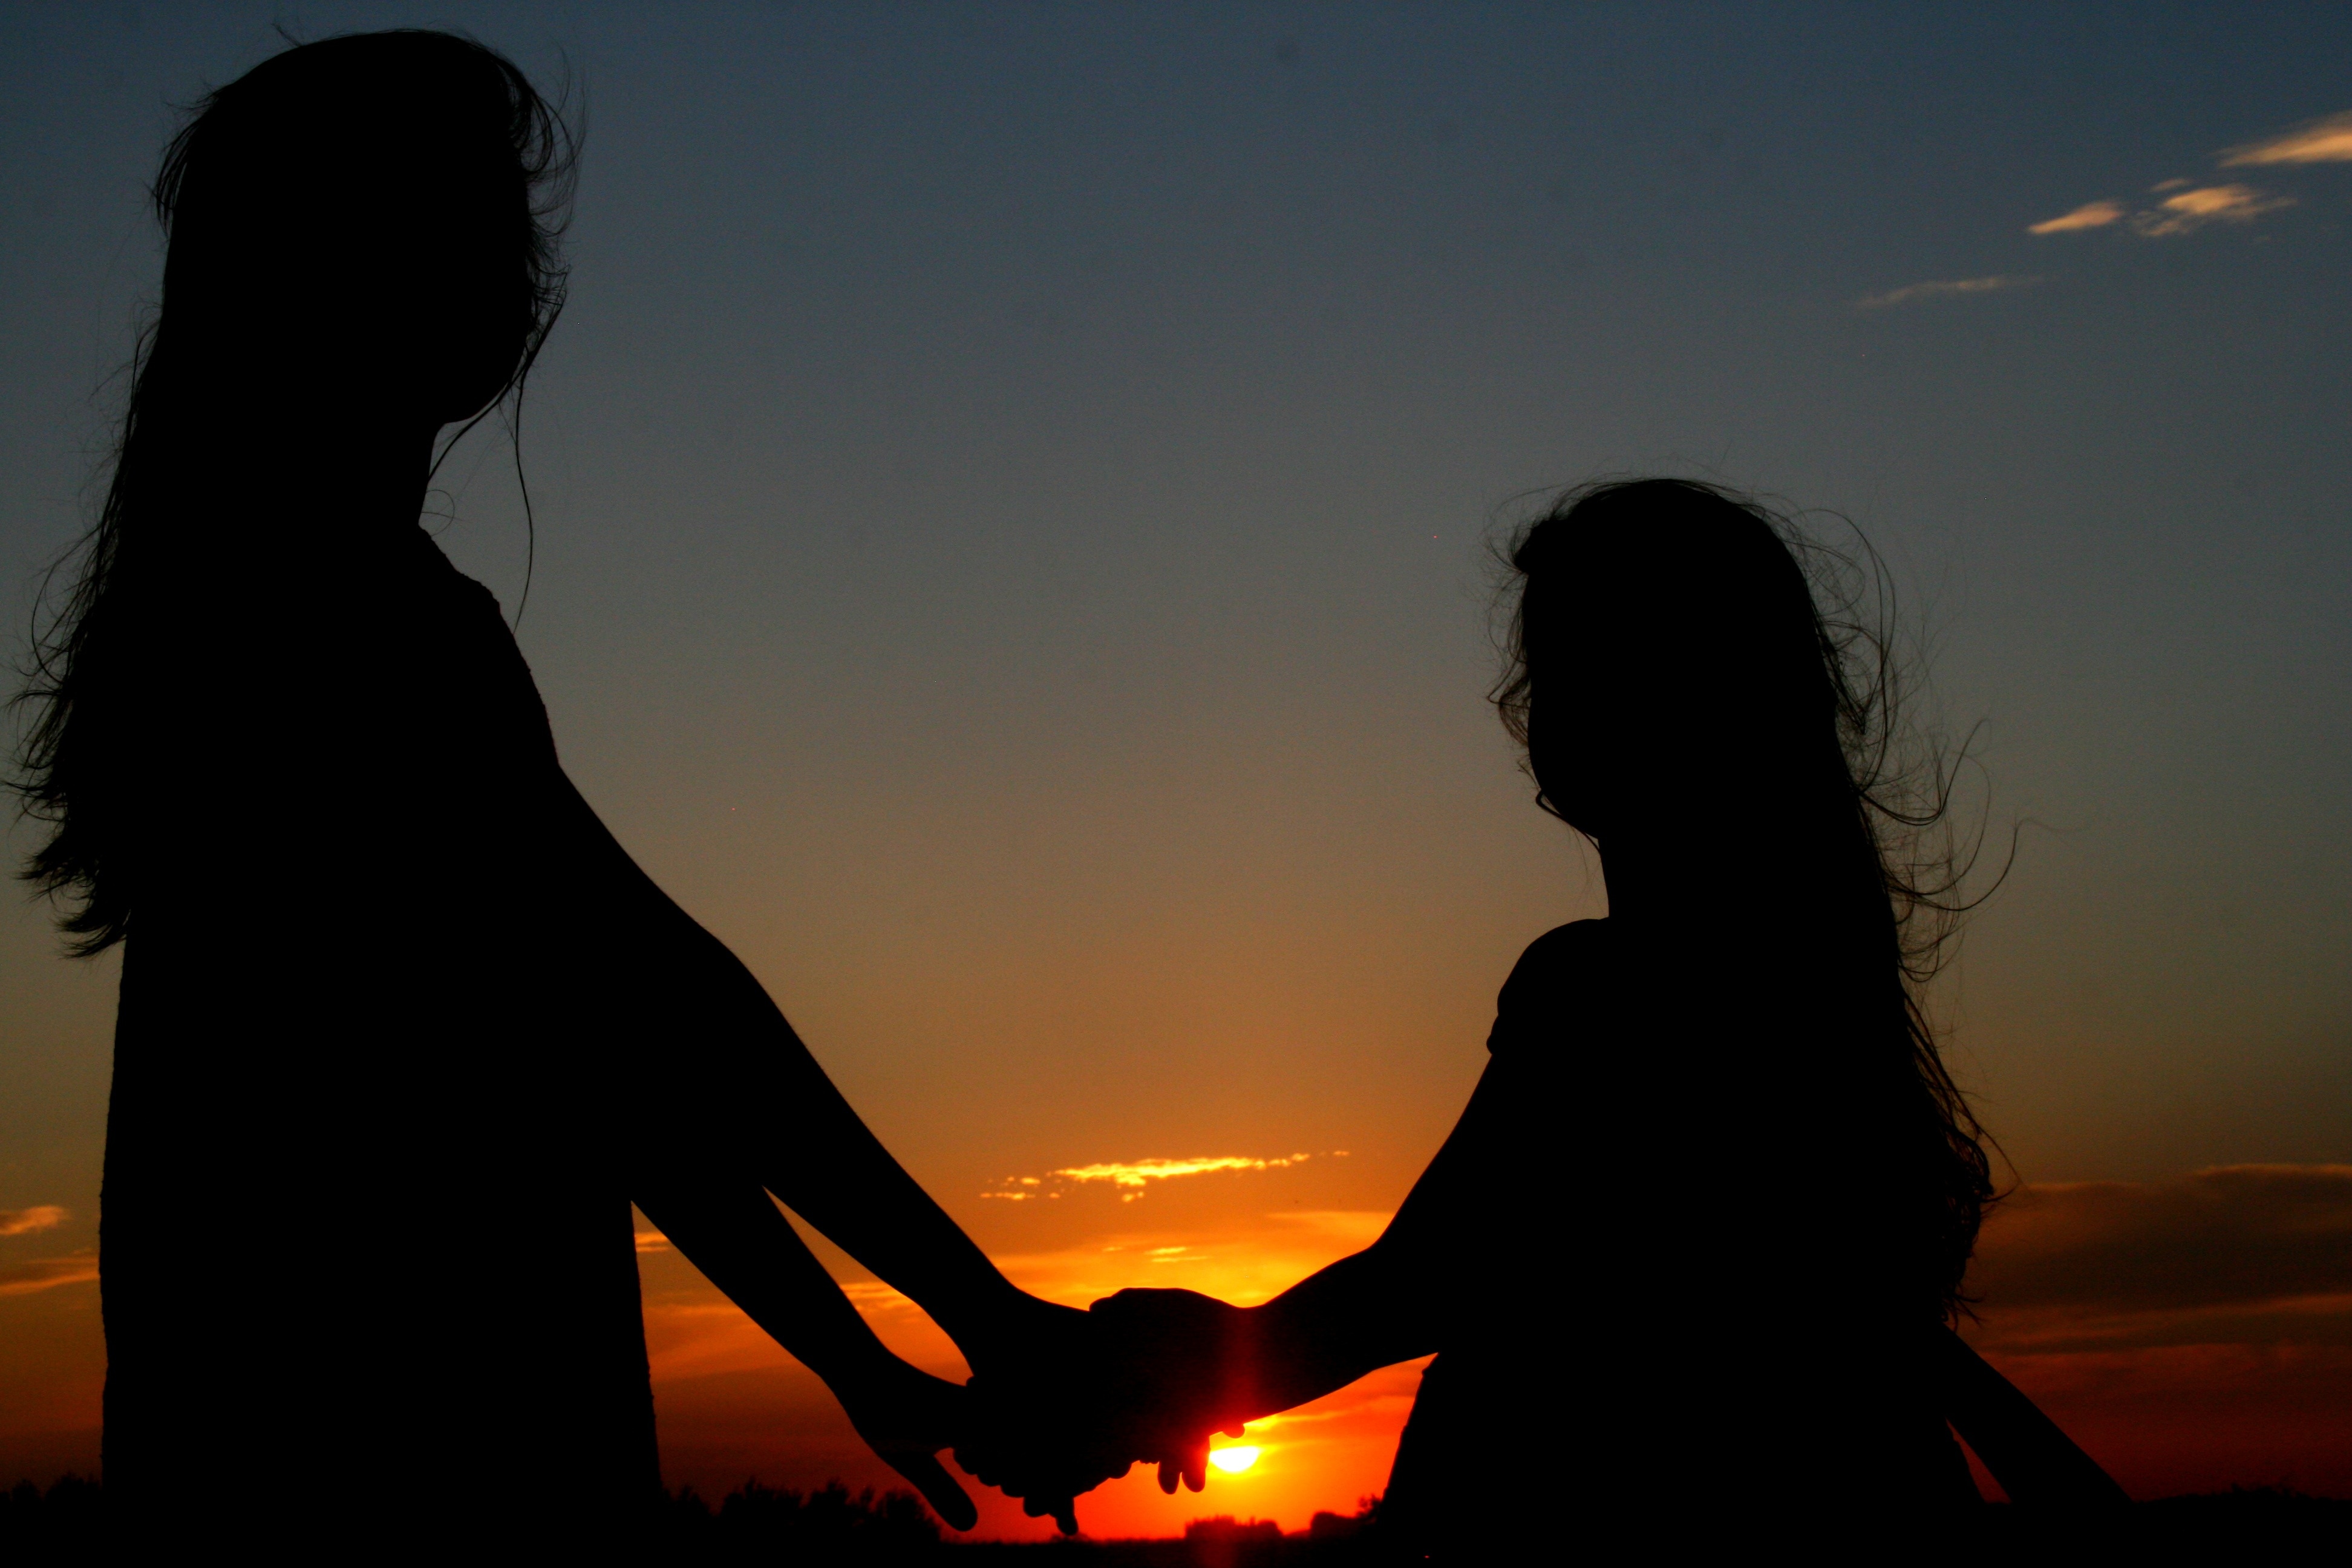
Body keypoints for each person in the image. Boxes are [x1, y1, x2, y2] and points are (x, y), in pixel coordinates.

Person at [13, 31, 1086, 1549]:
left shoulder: (244, 614)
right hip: (423, 1454)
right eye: (479, 209)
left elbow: (595, 1049)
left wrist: (860, 1355)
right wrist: (985, 1309)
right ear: (367, 261)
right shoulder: (369, 628)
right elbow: (662, 998)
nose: (522, 252)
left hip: (262, 1446)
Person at [974, 480, 2005, 1553]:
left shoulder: (1603, 991)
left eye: (1585, 665)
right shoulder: (1814, 994)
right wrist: (1187, 1369)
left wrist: (1176, 1370)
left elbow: (1419, 1284)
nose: (1548, 705)